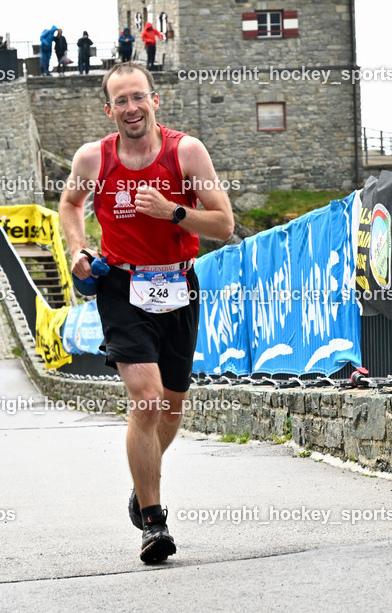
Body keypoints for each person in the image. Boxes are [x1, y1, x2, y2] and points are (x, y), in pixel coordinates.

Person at [59, 62, 234, 563]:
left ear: (155, 101)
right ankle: (154, 523)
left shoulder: (187, 152)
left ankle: (142, 486)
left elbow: (224, 224)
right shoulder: (94, 158)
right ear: (108, 109)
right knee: (147, 397)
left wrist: (172, 212)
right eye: (121, 100)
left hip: (179, 283)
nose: (131, 108)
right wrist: (78, 249)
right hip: (121, 286)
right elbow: (70, 204)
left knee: (171, 407)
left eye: (139, 97)